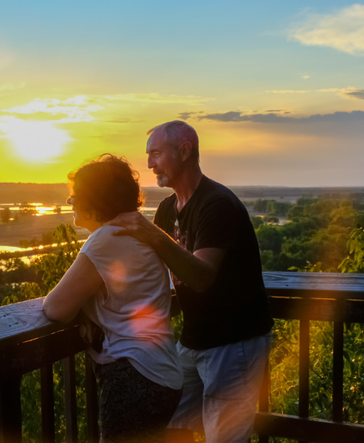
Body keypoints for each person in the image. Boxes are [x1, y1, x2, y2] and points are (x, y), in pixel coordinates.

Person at [105, 121, 274, 443]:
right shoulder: (168, 209)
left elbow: (202, 276)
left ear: (185, 151)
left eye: (155, 154)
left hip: (234, 341)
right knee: (167, 424)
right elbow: (152, 273)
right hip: (194, 340)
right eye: (148, 155)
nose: (150, 164)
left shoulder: (216, 205)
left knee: (224, 437)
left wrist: (151, 233)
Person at [42, 154, 183, 443]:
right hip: (161, 372)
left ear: (94, 201)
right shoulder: (137, 233)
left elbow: (56, 308)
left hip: (135, 375)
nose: (70, 202)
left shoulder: (107, 238)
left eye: (75, 195)